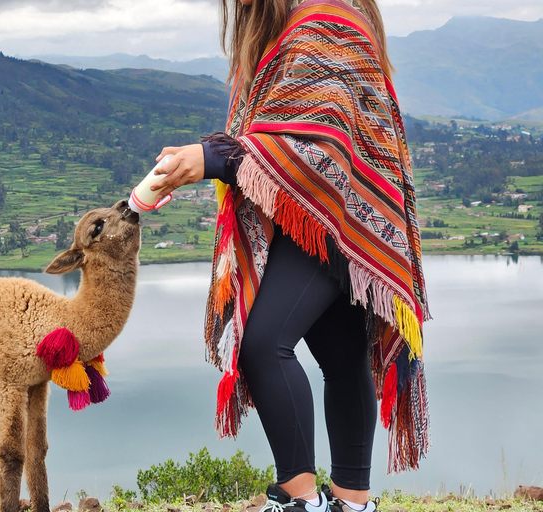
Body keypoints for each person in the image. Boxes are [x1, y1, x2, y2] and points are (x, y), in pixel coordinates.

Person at [151, 0, 432, 511]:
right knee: (343, 356)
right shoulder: (292, 25)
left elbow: (316, 150)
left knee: (263, 345)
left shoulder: (325, 21)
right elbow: (281, 134)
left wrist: (212, 157)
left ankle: (302, 501)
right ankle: (352, 502)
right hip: (317, 219)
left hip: (337, 219)